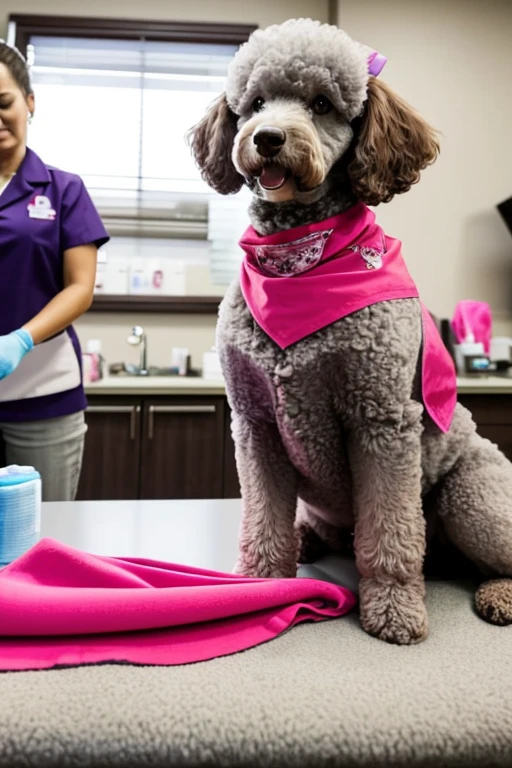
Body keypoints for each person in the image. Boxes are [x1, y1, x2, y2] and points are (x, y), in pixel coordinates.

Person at [0, 42, 109, 500]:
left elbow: (80, 288)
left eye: (3, 103)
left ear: (29, 101)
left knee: (41, 541)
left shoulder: (63, 190)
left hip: (44, 394)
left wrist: (20, 339)